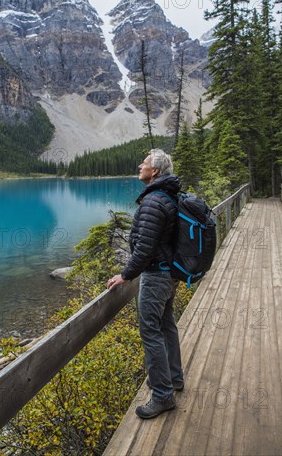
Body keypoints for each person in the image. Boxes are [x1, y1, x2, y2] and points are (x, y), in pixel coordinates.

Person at [107, 149, 184, 419]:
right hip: (168, 274)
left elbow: (145, 249)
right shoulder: (166, 196)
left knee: (150, 331)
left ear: (156, 172)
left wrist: (125, 275)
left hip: (155, 276)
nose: (140, 166)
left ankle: (163, 395)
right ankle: (174, 379)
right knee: (166, 325)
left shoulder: (153, 201)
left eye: (145, 164)